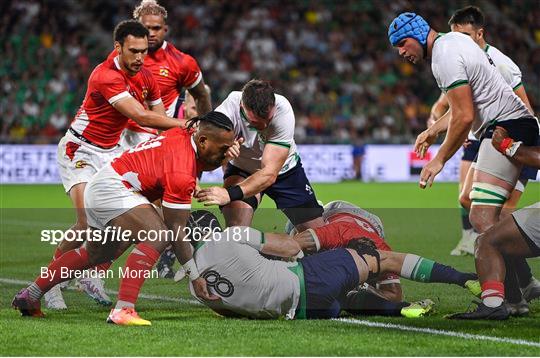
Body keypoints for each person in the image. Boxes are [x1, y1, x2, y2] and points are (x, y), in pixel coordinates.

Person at [12, 111, 240, 326]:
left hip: (108, 184)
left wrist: (222, 153)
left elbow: (200, 158)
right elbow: (176, 229)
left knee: (95, 254)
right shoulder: (181, 170)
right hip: (114, 188)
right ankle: (124, 309)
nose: (226, 154)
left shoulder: (188, 134)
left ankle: (30, 294)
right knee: (158, 234)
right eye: (223, 149)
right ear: (202, 141)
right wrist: (195, 276)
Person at [46, 20, 186, 310]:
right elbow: (144, 117)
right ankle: (52, 283)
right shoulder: (105, 75)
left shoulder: (146, 76)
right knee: (87, 225)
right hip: (80, 149)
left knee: (127, 224)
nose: (139, 58)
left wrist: (179, 141)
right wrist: (189, 124)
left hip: (112, 153)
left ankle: (94, 275)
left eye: (144, 52)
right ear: (117, 47)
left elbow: (161, 122)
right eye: (133, 51)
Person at [388, 13, 538, 244]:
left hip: (507, 126)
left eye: (402, 43)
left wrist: (439, 159)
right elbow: (464, 106)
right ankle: (522, 278)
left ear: (417, 34)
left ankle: (520, 270)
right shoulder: (452, 42)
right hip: (505, 124)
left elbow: (465, 116)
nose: (401, 52)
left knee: (483, 218)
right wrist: (432, 130)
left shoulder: (443, 57)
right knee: (471, 201)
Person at [186, 211, 475, 320]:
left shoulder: (192, 282)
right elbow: (290, 247)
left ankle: (403, 309)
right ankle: (464, 279)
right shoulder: (231, 234)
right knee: (384, 259)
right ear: (213, 226)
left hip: (303, 312)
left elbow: (227, 310)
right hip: (308, 284)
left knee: (344, 298)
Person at [427, 6, 535, 256]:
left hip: (512, 136)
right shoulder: (461, 61)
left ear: (479, 34)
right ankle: (508, 263)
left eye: (463, 36)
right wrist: (437, 127)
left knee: (503, 211)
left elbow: (525, 109)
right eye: (454, 36)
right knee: (466, 199)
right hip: (483, 134)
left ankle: (514, 262)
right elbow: (453, 105)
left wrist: (522, 148)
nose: (456, 42)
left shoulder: (502, 64)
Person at [287, 200, 478, 311]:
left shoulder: (331, 233)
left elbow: (394, 296)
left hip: (350, 222)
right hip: (354, 225)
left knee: (336, 295)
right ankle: (464, 278)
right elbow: (393, 294)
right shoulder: (372, 246)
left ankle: (463, 278)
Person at [195, 79, 325, 232]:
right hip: (242, 170)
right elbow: (205, 152)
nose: (263, 126)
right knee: (237, 229)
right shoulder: (229, 110)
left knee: (317, 235)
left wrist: (229, 194)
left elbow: (269, 173)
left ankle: (294, 227)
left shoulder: (283, 110)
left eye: (267, 120)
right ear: (242, 107)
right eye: (255, 122)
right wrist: (224, 153)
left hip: (284, 171)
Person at [448, 127, 539, 320]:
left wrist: (508, 145)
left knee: (490, 235)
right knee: (471, 204)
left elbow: (461, 112)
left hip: (515, 138)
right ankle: (524, 285)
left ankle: (506, 300)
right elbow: (457, 111)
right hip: (490, 139)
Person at [117, 0, 212, 150]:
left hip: (154, 139)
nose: (151, 33)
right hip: (119, 136)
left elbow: (202, 95)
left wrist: (207, 133)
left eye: (156, 28)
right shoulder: (120, 55)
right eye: (146, 28)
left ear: (165, 29)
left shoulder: (182, 62)